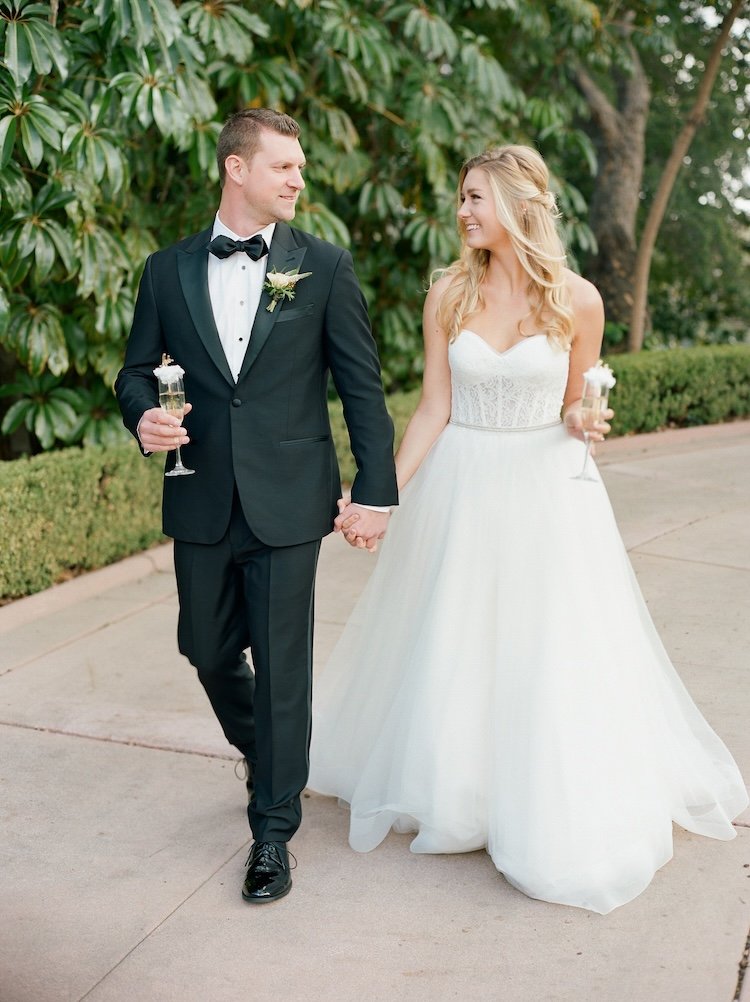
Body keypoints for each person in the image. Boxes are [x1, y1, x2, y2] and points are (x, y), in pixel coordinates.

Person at [308, 145, 748, 914]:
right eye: (463, 198)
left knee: (547, 646)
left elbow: (576, 405)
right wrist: (378, 496)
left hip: (549, 491)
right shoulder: (447, 292)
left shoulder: (578, 300)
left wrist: (582, 417)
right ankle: (457, 791)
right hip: (462, 488)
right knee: (456, 640)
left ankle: (539, 790)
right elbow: (434, 410)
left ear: (518, 205)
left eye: (476, 198)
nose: (463, 211)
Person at [115, 109, 398, 904]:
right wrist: (142, 414)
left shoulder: (327, 267)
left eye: (300, 168)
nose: (298, 180)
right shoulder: (165, 270)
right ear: (237, 169)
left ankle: (272, 830)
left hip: (290, 501)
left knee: (282, 669)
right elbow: (134, 371)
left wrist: (375, 492)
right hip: (199, 491)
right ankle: (268, 752)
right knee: (205, 648)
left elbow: (361, 390)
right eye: (283, 167)